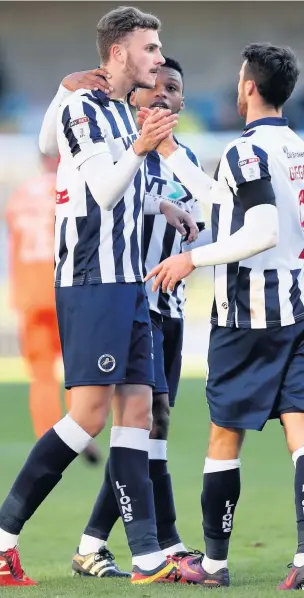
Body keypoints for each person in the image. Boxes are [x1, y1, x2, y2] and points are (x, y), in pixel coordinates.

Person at [0, 6, 198, 587]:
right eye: (151, 48)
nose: (159, 58)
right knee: (86, 418)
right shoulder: (87, 108)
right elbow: (103, 191)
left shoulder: (113, 108)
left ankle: (145, 558)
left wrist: (163, 204)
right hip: (92, 280)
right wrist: (138, 147)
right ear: (119, 53)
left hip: (128, 283)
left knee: (139, 410)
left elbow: (126, 192)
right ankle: (4, 537)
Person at [39, 56, 208, 580]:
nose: (162, 95)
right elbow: (104, 206)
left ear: (182, 100)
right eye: (154, 87)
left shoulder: (183, 160)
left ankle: (99, 543)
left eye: (173, 89)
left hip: (171, 308)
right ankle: (159, 542)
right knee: (138, 423)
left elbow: (203, 221)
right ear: (133, 98)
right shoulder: (118, 157)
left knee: (149, 428)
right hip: (133, 304)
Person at [145, 42, 304, 589]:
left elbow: (259, 230)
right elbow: (223, 203)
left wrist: (193, 257)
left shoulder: (247, 150)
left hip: (247, 314)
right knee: (301, 435)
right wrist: (168, 152)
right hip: (297, 306)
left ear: (250, 88)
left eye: (240, 78)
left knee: (224, 436)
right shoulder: (296, 149)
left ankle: (213, 564)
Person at [6, 154, 101, 466]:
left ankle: (47, 438)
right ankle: (78, 430)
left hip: (30, 296)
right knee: (79, 369)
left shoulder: (19, 197)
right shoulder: (69, 190)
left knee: (41, 375)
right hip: (66, 289)